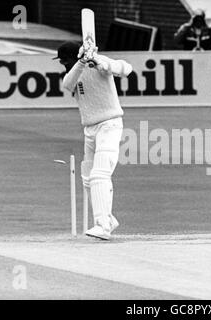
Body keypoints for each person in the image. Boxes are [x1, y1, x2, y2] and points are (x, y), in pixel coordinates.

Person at [54, 41, 132, 240]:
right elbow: (67, 84)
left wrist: (102, 63)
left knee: (100, 174)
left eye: (65, 62)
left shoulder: (99, 63)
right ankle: (109, 218)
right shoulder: (73, 72)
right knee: (88, 178)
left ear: (72, 57)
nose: (63, 66)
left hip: (109, 125)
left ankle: (102, 226)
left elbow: (126, 69)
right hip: (90, 129)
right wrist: (81, 62)